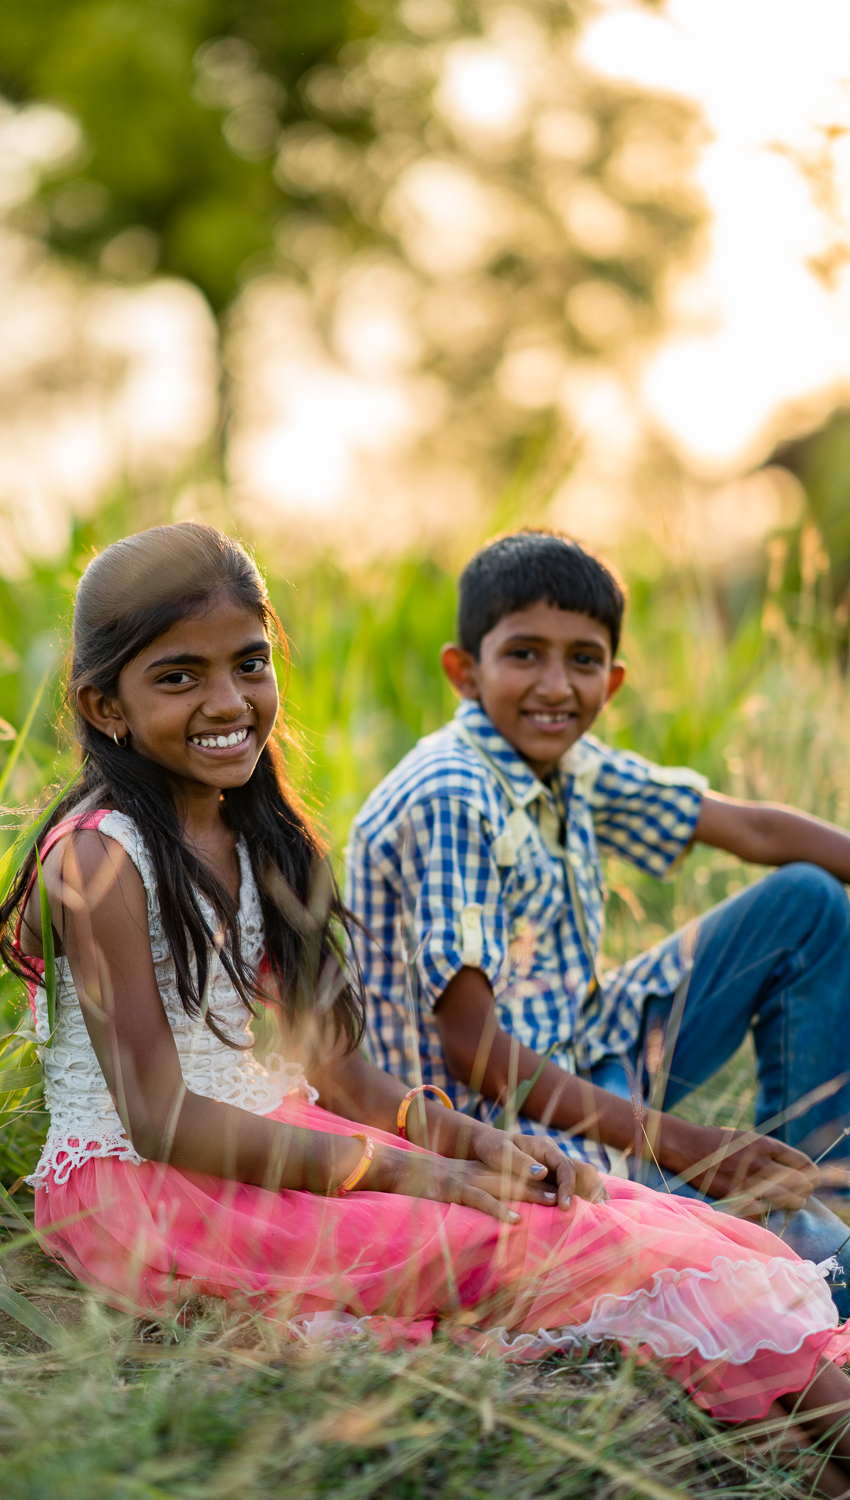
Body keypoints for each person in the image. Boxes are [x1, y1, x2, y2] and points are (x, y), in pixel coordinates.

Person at [0, 522, 850, 1493]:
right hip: (145, 1190)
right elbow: (157, 1120)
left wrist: (469, 1145)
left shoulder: (260, 837)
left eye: (249, 664)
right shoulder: (100, 860)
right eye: (179, 677)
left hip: (280, 1134)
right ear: (104, 706)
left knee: (654, 1222)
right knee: (577, 1245)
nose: (228, 701)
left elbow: (344, 1076)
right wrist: (409, 1177)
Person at [345, 528, 850, 1312]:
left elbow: (752, 830)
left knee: (806, 902)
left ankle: (816, 1177)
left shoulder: (566, 762)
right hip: (498, 1118)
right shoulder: (452, 796)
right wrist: (681, 1143)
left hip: (586, 1045)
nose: (554, 685)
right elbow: (475, 1051)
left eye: (580, 660)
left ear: (609, 682)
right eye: (524, 654)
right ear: (464, 671)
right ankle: (791, 1233)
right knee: (828, 1273)